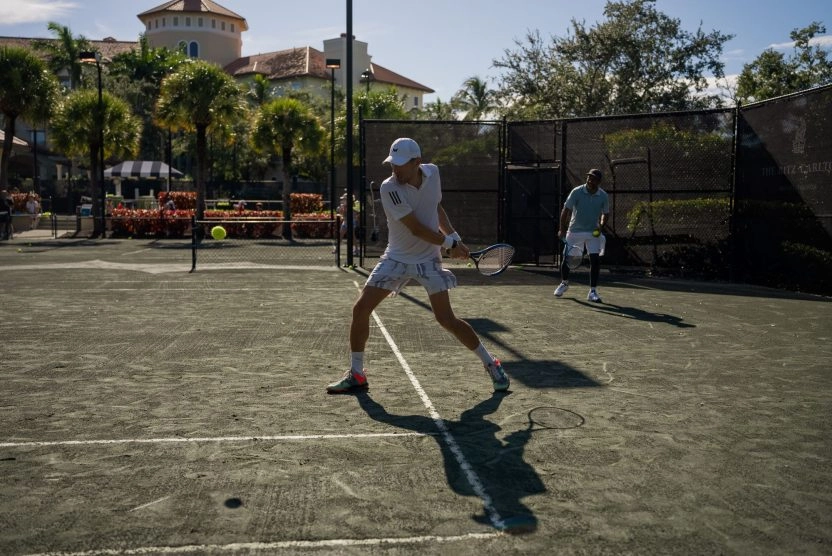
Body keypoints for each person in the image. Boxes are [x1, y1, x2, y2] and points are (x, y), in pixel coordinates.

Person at [326, 138, 509, 394]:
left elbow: (436, 207)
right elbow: (416, 228)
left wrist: (455, 239)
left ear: (417, 163)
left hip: (428, 260)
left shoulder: (433, 173)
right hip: (396, 258)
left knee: (447, 319)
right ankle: (357, 374)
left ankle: (492, 364)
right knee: (361, 309)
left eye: (400, 165)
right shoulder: (389, 188)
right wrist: (448, 244)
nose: (395, 169)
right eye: (392, 164)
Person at [554, 168, 610, 303]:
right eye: (589, 177)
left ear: (598, 181)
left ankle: (592, 291)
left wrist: (601, 226)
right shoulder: (577, 192)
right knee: (567, 258)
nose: (590, 180)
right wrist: (562, 229)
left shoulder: (603, 195)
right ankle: (564, 283)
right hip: (574, 231)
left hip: (593, 232)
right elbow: (566, 210)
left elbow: (606, 213)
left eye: (593, 178)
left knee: (595, 260)